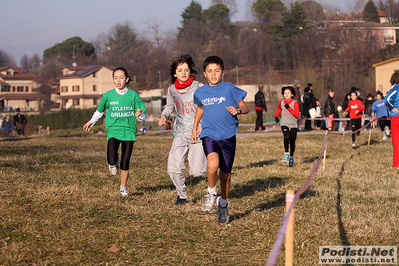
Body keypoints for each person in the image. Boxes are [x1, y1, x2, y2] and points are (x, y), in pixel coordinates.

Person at [191, 55, 249, 224]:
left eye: (217, 71)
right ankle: (211, 193)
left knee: (225, 176)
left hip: (228, 135)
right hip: (209, 133)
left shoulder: (230, 88)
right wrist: (195, 128)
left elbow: (245, 107)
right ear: (204, 73)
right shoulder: (200, 92)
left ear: (223, 72)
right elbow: (200, 108)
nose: (213, 74)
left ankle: (223, 203)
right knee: (212, 164)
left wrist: (237, 110)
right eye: (210, 71)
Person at [83, 67, 146, 196]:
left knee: (125, 161)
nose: (118, 80)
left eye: (121, 78)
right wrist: (91, 121)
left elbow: (143, 115)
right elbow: (99, 111)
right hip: (113, 130)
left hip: (129, 131)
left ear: (126, 79)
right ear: (113, 80)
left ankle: (123, 187)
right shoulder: (108, 95)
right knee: (111, 159)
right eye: (116, 78)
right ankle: (113, 163)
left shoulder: (133, 95)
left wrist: (139, 115)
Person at [158, 54, 207, 205]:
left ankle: (212, 178)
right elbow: (169, 107)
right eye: (180, 70)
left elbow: (207, 107)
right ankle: (181, 194)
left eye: (186, 70)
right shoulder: (172, 90)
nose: (184, 73)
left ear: (190, 71)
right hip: (179, 132)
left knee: (197, 172)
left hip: (197, 132)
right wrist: (163, 115)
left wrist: (203, 126)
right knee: (173, 167)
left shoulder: (199, 87)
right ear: (175, 73)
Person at [274, 86, 300, 167]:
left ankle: (291, 157)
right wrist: (276, 116)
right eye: (285, 93)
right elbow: (279, 108)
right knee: (286, 137)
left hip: (293, 125)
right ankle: (286, 153)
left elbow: (297, 115)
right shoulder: (282, 103)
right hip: (284, 123)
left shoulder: (295, 103)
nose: (287, 94)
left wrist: (289, 109)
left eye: (289, 93)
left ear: (292, 94)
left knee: (292, 142)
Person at [386, 73, 399, 168]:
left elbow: (388, 99)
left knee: (396, 141)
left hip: (396, 117)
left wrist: (391, 107)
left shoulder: (395, 88)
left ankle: (396, 163)